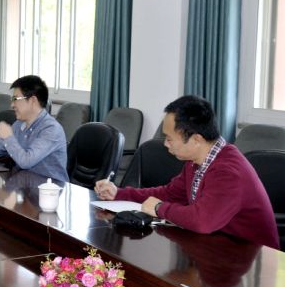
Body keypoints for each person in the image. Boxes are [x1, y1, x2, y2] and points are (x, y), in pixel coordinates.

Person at [95, 95, 279, 249]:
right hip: (218, 247)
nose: (165, 144)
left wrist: (159, 208)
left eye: (169, 138)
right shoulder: (196, 162)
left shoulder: (228, 171)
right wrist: (119, 193)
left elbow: (202, 221)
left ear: (196, 139)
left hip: (251, 260)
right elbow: (169, 194)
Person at [0, 75, 68, 182]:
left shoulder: (51, 129)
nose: (12, 105)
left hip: (50, 189)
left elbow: (26, 161)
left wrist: (8, 137)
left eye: (15, 99)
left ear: (32, 100)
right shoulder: (19, 124)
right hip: (24, 184)